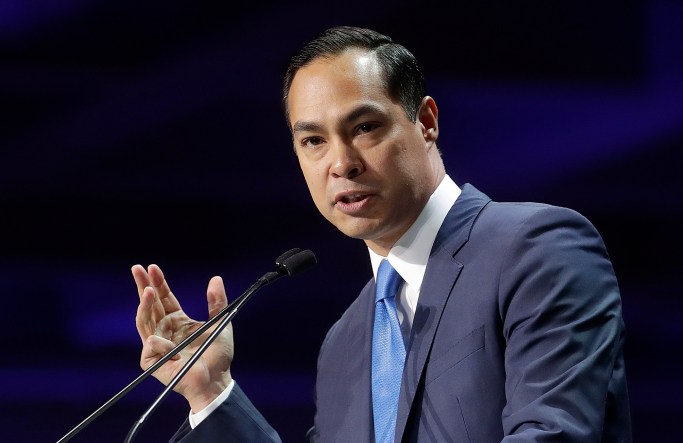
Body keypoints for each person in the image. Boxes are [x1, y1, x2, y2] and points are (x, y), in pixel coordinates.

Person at [132, 26, 631, 442]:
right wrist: (211, 390)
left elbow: (554, 433)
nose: (342, 164)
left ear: (427, 122)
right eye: (313, 141)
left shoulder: (534, 248)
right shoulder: (346, 342)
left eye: (365, 127)